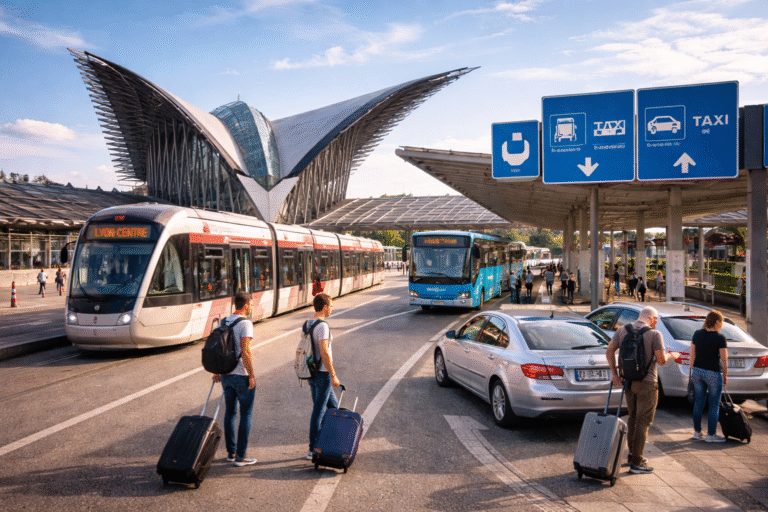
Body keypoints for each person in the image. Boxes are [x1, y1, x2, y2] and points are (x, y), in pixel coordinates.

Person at [605, 306, 679, 474]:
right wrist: (671, 356)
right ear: (652, 319)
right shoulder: (654, 334)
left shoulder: (623, 330)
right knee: (643, 422)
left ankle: (632, 455)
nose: (656, 324)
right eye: (656, 321)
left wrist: (614, 374)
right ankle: (637, 462)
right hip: (647, 383)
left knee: (633, 418)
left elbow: (609, 350)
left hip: (629, 382)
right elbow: (660, 360)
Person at [212, 292, 257, 466]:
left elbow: (217, 347)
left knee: (230, 413)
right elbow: (246, 351)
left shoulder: (224, 321)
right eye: (251, 304)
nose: (252, 307)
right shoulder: (245, 324)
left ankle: (231, 452)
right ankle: (241, 456)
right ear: (245, 305)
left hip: (226, 375)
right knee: (246, 414)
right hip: (241, 375)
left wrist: (217, 370)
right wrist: (251, 374)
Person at [306, 292, 340, 460]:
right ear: (325, 307)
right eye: (331, 306)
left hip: (311, 372)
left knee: (334, 408)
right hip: (322, 373)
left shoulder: (307, 323)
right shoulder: (322, 326)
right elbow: (324, 352)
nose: (332, 309)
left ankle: (333, 441)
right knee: (318, 411)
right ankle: (312, 448)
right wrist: (333, 375)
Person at [690, 310, 728, 443]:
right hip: (712, 373)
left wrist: (691, 371)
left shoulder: (697, 334)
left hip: (697, 371)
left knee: (698, 402)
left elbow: (692, 355)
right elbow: (723, 359)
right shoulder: (719, 337)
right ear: (717, 322)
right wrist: (725, 374)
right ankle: (711, 435)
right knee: (714, 405)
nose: (722, 325)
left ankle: (697, 432)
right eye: (721, 322)